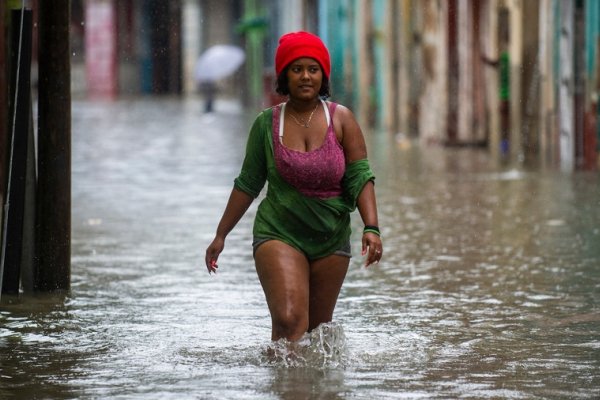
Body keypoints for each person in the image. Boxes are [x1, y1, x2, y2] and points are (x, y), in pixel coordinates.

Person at [204, 31, 382, 343]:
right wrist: (221, 234)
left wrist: (372, 226)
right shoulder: (266, 124)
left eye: (313, 69)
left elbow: (360, 176)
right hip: (279, 232)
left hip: (331, 235)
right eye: (296, 69)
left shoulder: (342, 120)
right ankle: (283, 387)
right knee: (288, 321)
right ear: (285, 75)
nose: (305, 76)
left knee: (316, 333)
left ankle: (311, 390)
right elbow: (248, 183)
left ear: (322, 75)